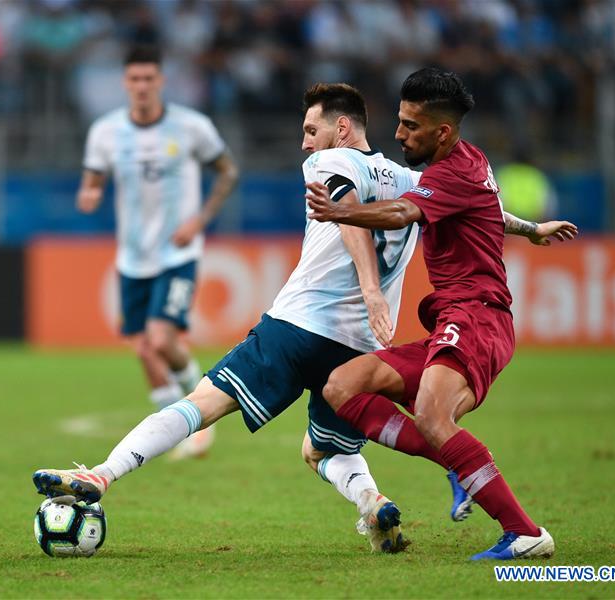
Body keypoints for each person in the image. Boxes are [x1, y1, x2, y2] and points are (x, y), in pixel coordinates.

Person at [36, 82, 470, 554]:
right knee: (322, 449)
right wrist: (531, 229)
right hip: (359, 347)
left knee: (201, 404)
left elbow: (345, 214)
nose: (305, 142)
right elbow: (483, 210)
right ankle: (372, 502)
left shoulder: (331, 161)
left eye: (311, 129)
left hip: (298, 326)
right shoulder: (409, 181)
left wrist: (370, 289)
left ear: (342, 127)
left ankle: (102, 473)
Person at [304, 68, 578, 561]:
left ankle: (525, 532)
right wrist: (532, 228)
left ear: (442, 132)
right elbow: (489, 211)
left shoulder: (452, 172)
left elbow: (399, 214)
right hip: (454, 319)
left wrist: (339, 212)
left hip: (477, 316)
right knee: (342, 385)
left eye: (410, 125)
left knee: (432, 415)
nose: (398, 133)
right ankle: (456, 462)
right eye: (400, 120)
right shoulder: (468, 161)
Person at [75, 45, 239, 458]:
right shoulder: (106, 131)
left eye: (150, 79)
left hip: (177, 253)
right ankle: (183, 429)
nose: (143, 86)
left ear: (161, 81)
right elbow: (92, 178)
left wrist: (199, 221)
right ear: (125, 83)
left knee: (162, 338)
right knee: (144, 347)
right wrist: (89, 193)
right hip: (132, 258)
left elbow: (227, 171)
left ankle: (202, 408)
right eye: (135, 79)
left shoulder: (190, 127)